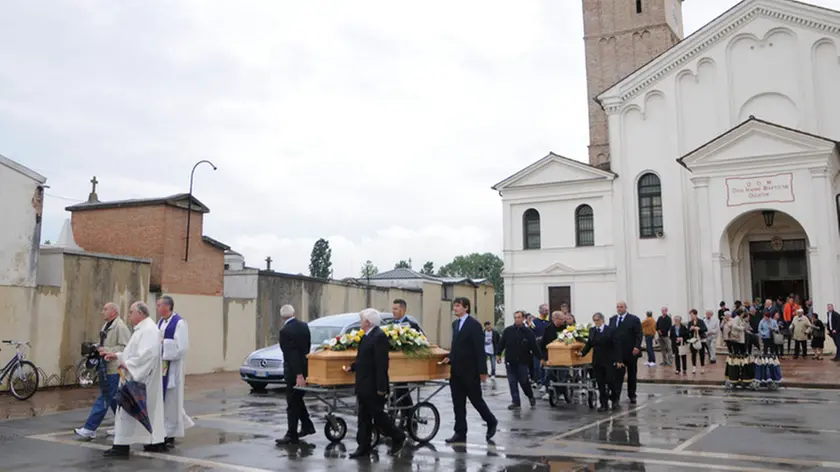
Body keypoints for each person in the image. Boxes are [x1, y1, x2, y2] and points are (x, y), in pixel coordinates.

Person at [102, 302, 165, 457]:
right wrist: (117, 356)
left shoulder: (148, 330)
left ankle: (121, 446)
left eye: (131, 312)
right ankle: (151, 442)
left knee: (127, 410)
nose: (128, 315)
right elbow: (133, 352)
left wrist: (128, 365)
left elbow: (146, 355)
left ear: (140, 314)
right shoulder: (143, 329)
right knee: (141, 411)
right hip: (138, 376)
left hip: (140, 379)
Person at [343, 309, 406, 458]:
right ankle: (363, 447)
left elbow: (381, 364)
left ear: (368, 322)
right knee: (363, 417)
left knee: (378, 417)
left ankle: (398, 435)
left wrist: (381, 388)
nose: (360, 322)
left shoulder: (379, 337)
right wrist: (352, 367)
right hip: (363, 384)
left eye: (361, 319)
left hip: (373, 386)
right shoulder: (367, 336)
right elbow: (363, 359)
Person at [441, 297, 497, 443]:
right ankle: (460, 432)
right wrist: (450, 358)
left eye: (458, 306)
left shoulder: (474, 325)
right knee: (457, 403)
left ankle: (491, 421)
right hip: (456, 371)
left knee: (476, 401)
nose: (455, 308)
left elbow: (479, 349)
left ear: (466, 308)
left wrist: (483, 371)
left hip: (470, 371)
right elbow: (456, 346)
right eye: (455, 306)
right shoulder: (455, 324)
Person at [75, 303, 132, 440]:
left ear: (113, 311)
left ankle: (90, 428)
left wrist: (107, 350)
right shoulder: (106, 326)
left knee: (105, 397)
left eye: (105, 309)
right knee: (113, 398)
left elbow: (126, 348)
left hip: (113, 367)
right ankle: (122, 426)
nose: (102, 312)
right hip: (104, 366)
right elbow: (106, 343)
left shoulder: (120, 327)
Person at [155, 296, 194, 449]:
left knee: (172, 402)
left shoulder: (179, 323)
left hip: (173, 370)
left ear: (167, 306)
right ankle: (166, 430)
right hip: (162, 367)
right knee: (165, 403)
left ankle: (170, 433)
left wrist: (164, 343)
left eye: (159, 305)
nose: (157, 308)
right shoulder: (161, 322)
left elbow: (182, 348)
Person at [275, 304, 316, 445]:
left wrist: (298, 374)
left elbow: (291, 354)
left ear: (282, 317)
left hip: (294, 372)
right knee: (297, 400)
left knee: (292, 403)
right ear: (294, 313)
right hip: (305, 368)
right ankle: (307, 425)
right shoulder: (304, 326)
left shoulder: (285, 332)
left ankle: (292, 434)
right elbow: (306, 348)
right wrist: (303, 371)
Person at [496, 311, 540, 410]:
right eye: (515, 317)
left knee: (524, 382)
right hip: (510, 361)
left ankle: (530, 396)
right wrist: (498, 354)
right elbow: (502, 343)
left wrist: (541, 358)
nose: (517, 319)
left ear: (523, 318)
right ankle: (516, 402)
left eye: (519, 317)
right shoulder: (508, 331)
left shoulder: (528, 332)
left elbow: (534, 346)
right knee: (512, 382)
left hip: (523, 361)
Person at [578, 313, 620, 411]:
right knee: (600, 383)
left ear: (602, 320)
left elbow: (617, 346)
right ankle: (603, 404)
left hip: (609, 360)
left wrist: (618, 360)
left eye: (597, 320)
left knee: (610, 381)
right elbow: (589, 344)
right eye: (594, 320)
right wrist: (582, 353)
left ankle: (614, 398)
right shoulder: (592, 330)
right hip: (597, 360)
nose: (596, 322)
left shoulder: (611, 330)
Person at [391, 299, 423, 421]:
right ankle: (409, 416)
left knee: (400, 388)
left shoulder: (412, 326)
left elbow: (420, 343)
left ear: (403, 310)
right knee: (400, 389)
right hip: (393, 364)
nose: (393, 311)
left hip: (405, 365)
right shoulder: (390, 326)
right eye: (392, 308)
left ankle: (403, 415)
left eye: (396, 309)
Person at [609, 301, 642, 405]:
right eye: (617, 307)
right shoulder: (613, 319)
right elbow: (611, 334)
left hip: (631, 351)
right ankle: (616, 396)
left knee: (632, 374)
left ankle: (632, 395)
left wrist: (637, 346)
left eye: (621, 307)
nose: (619, 309)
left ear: (625, 308)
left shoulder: (634, 319)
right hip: (618, 352)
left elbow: (639, 334)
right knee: (617, 375)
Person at [539, 311, 570, 400]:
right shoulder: (548, 328)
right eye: (561, 319)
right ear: (555, 319)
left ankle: (562, 392)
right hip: (551, 356)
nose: (563, 321)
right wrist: (543, 358)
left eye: (564, 319)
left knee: (562, 375)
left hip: (563, 356)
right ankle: (549, 391)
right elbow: (544, 344)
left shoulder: (565, 328)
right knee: (550, 374)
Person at [686, 309, 708, 374]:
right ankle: (694, 367)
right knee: (693, 354)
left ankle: (702, 367)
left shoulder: (701, 321)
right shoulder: (690, 322)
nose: (691, 316)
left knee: (702, 354)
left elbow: (705, 329)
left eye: (692, 315)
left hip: (701, 339)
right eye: (690, 315)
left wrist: (699, 328)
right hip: (693, 340)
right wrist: (690, 329)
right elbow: (687, 331)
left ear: (695, 314)